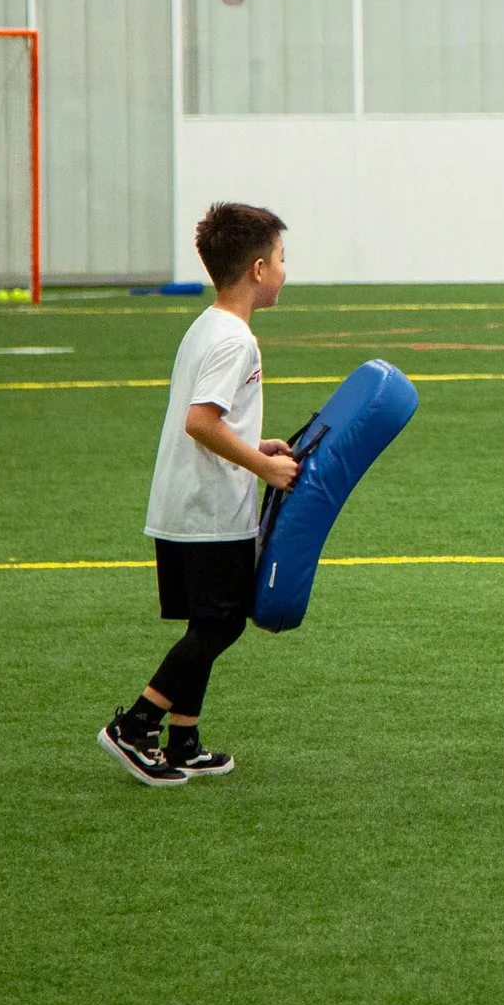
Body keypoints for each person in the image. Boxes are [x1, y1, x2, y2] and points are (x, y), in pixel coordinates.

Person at [98, 202, 300, 786]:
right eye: (283, 259)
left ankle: (183, 740)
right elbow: (200, 423)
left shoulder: (207, 325)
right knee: (220, 626)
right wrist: (263, 468)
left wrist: (254, 442)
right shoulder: (236, 341)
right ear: (258, 269)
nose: (287, 271)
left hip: (183, 505)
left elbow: (214, 418)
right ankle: (137, 724)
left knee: (207, 624)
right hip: (209, 511)